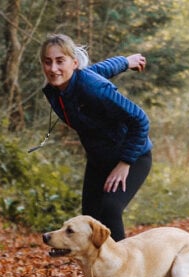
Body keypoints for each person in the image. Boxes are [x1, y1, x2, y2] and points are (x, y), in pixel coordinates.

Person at [40, 33, 152, 243]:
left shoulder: (94, 88)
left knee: (110, 209)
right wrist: (126, 61)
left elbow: (140, 120)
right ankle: (97, 273)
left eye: (59, 61)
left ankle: (123, 270)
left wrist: (125, 162)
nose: (53, 69)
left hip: (133, 156)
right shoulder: (58, 89)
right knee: (89, 219)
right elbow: (101, 69)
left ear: (74, 63)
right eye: (48, 62)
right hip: (99, 159)